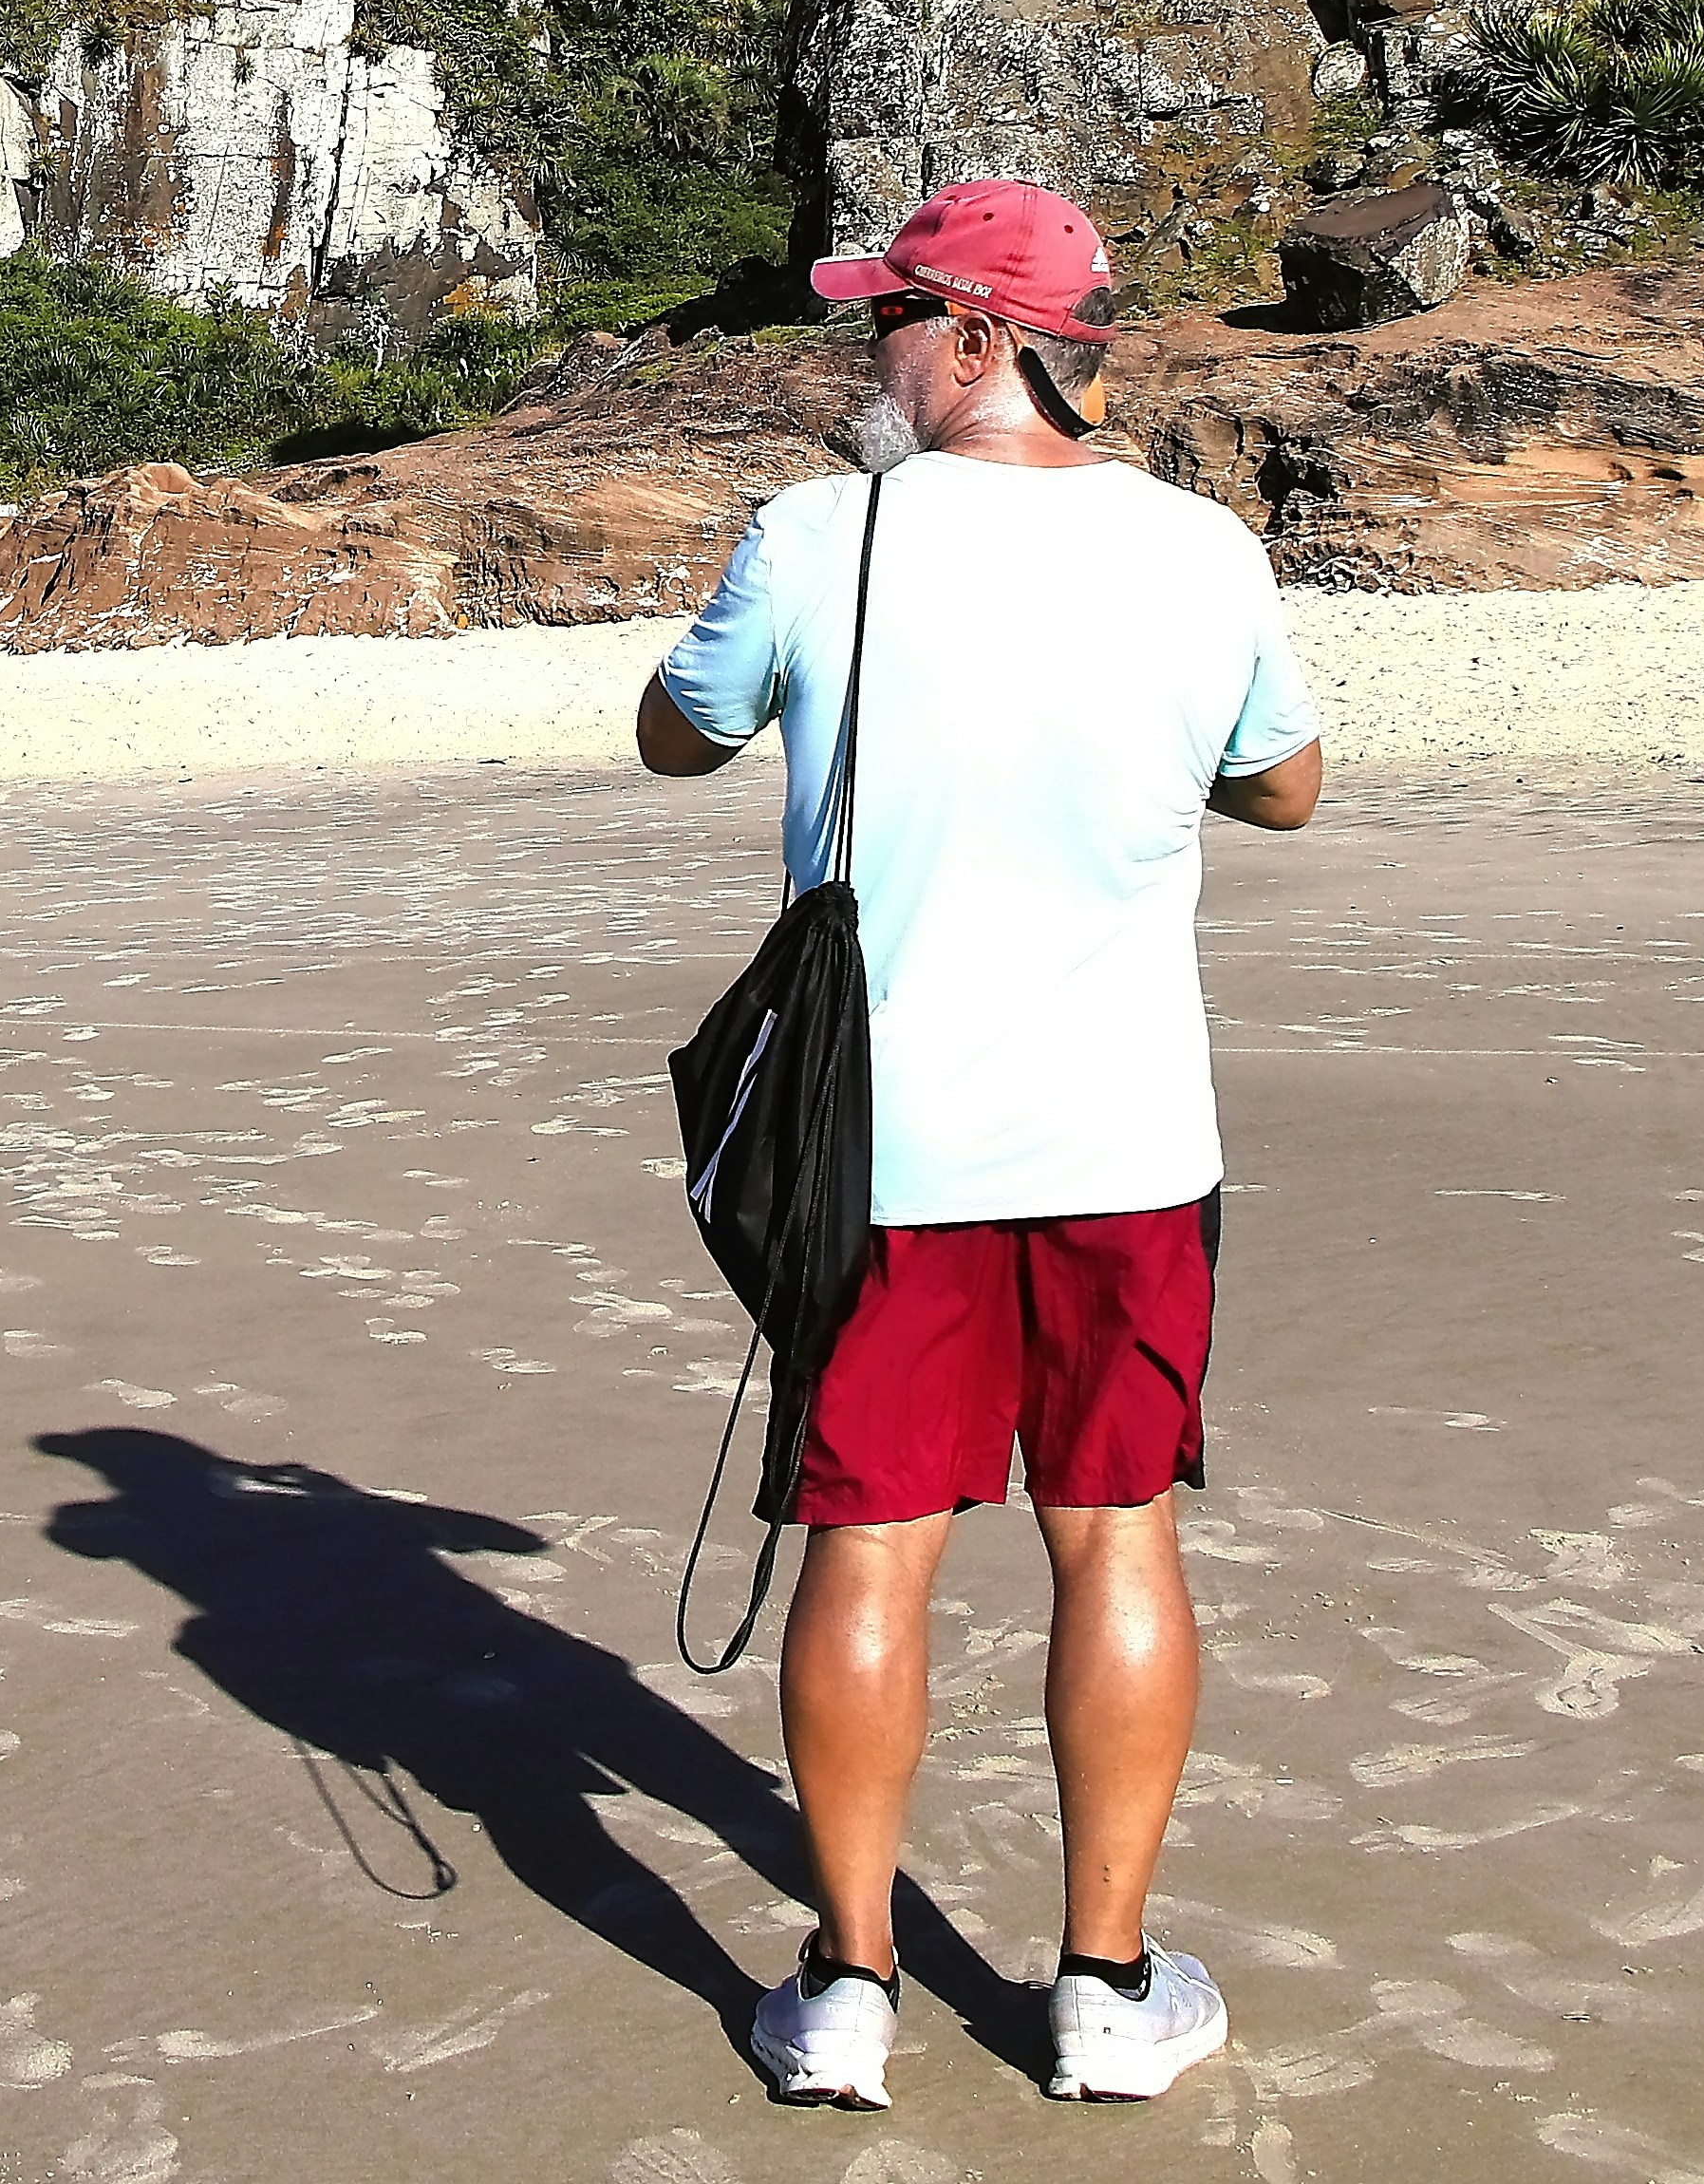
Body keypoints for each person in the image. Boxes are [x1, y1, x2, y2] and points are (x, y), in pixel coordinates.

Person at [634, 177, 1324, 2112]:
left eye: (891, 316)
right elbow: (1286, 787)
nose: (870, 349)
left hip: (883, 1152)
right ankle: (1104, 1983)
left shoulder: (816, 534)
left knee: (871, 1547)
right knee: (1118, 1530)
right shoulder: (1203, 551)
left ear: (982, 333)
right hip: (1126, 1138)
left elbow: (675, 734)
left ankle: (849, 1986)